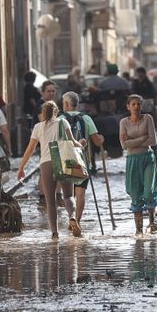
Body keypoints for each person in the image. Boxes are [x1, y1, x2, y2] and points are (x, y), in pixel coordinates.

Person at [16, 101, 80, 239]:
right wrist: (83, 145)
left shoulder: (38, 127)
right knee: (68, 196)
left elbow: (30, 149)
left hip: (46, 163)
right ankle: (72, 216)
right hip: (63, 161)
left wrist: (21, 167)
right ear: (56, 112)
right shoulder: (63, 123)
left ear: (43, 113)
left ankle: (55, 233)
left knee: (50, 201)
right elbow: (73, 142)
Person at [120, 94, 157, 235]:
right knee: (135, 193)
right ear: (128, 106)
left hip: (147, 158)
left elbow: (153, 141)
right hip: (132, 160)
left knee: (149, 191)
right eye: (133, 104)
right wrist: (142, 138)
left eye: (139, 104)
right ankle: (138, 230)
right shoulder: (123, 122)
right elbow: (124, 145)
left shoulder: (148, 118)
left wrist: (133, 141)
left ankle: (152, 222)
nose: (136, 107)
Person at [60, 91, 104, 231]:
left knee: (68, 194)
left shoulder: (59, 119)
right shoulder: (86, 118)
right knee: (80, 193)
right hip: (82, 161)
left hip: (64, 162)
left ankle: (70, 217)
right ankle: (77, 221)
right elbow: (96, 141)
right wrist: (101, 139)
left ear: (66, 104)